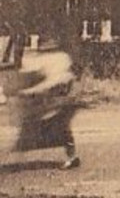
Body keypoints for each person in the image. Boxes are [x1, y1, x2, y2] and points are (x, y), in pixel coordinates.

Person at [10, 36, 80, 169]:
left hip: (60, 97)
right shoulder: (54, 58)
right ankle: (72, 156)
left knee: (60, 128)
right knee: (61, 128)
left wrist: (31, 90)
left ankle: (71, 157)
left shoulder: (59, 58)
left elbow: (54, 81)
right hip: (57, 98)